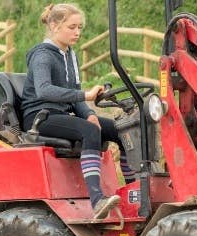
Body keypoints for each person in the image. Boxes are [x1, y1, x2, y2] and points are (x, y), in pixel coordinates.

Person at [21, 3, 135, 219]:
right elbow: (44, 91)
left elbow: (72, 93)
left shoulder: (69, 55)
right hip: (39, 117)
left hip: (60, 115)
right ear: (54, 26)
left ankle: (133, 194)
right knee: (90, 132)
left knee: (122, 130)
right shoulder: (42, 55)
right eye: (72, 27)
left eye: (79, 27)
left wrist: (89, 113)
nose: (77, 32)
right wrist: (85, 96)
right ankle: (97, 200)